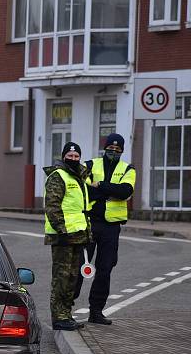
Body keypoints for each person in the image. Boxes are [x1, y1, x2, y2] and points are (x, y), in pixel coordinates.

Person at [74, 133, 136, 325]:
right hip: (91, 222)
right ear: (105, 147)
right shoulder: (90, 164)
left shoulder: (128, 168)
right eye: (110, 148)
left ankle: (96, 311)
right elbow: (84, 189)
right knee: (80, 267)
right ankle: (66, 309)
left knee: (105, 269)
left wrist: (100, 185)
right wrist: (110, 191)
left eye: (118, 150)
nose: (113, 151)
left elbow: (126, 191)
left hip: (112, 227)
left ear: (122, 151)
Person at [44, 142, 91, 331]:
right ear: (63, 157)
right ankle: (58, 317)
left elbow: (80, 209)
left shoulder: (79, 176)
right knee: (61, 278)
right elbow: (52, 206)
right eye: (70, 156)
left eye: (76, 156)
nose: (73, 159)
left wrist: (87, 232)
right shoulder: (58, 176)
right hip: (63, 236)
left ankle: (66, 314)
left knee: (72, 277)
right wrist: (62, 230)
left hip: (78, 235)